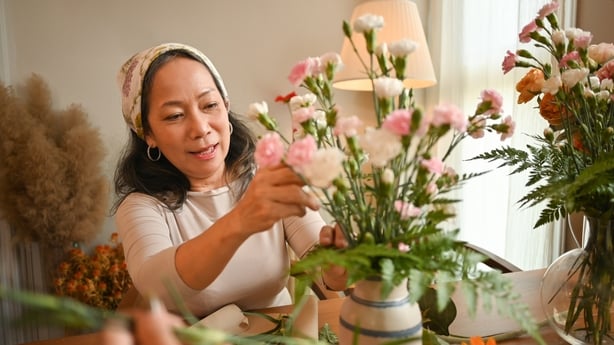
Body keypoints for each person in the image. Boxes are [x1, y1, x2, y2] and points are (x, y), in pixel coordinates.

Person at [113, 42, 347, 319]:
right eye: (175, 115)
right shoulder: (141, 207)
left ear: (226, 107)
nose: (200, 128)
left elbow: (327, 272)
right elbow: (157, 289)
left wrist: (338, 266)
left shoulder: (268, 177)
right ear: (147, 133)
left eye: (210, 105)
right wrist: (241, 221)